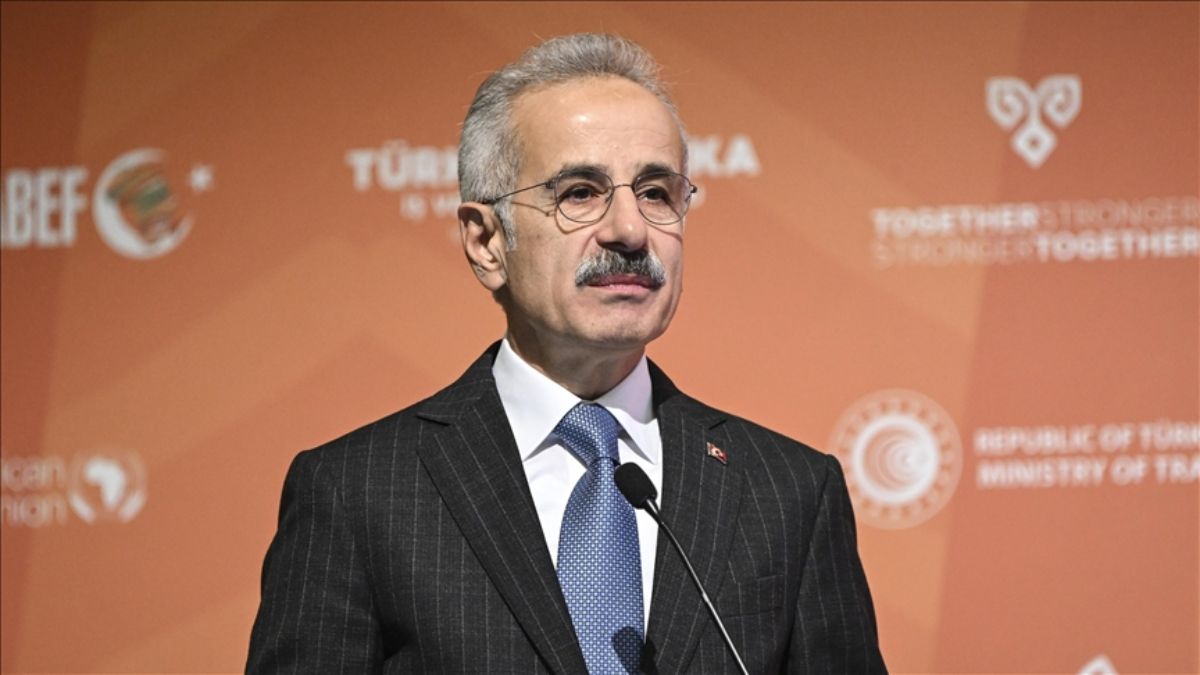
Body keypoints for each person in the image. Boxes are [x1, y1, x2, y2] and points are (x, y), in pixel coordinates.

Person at [247, 33, 886, 674]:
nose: (630, 230)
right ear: (486, 242)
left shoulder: (789, 491)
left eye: (656, 193)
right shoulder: (358, 491)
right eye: (580, 192)